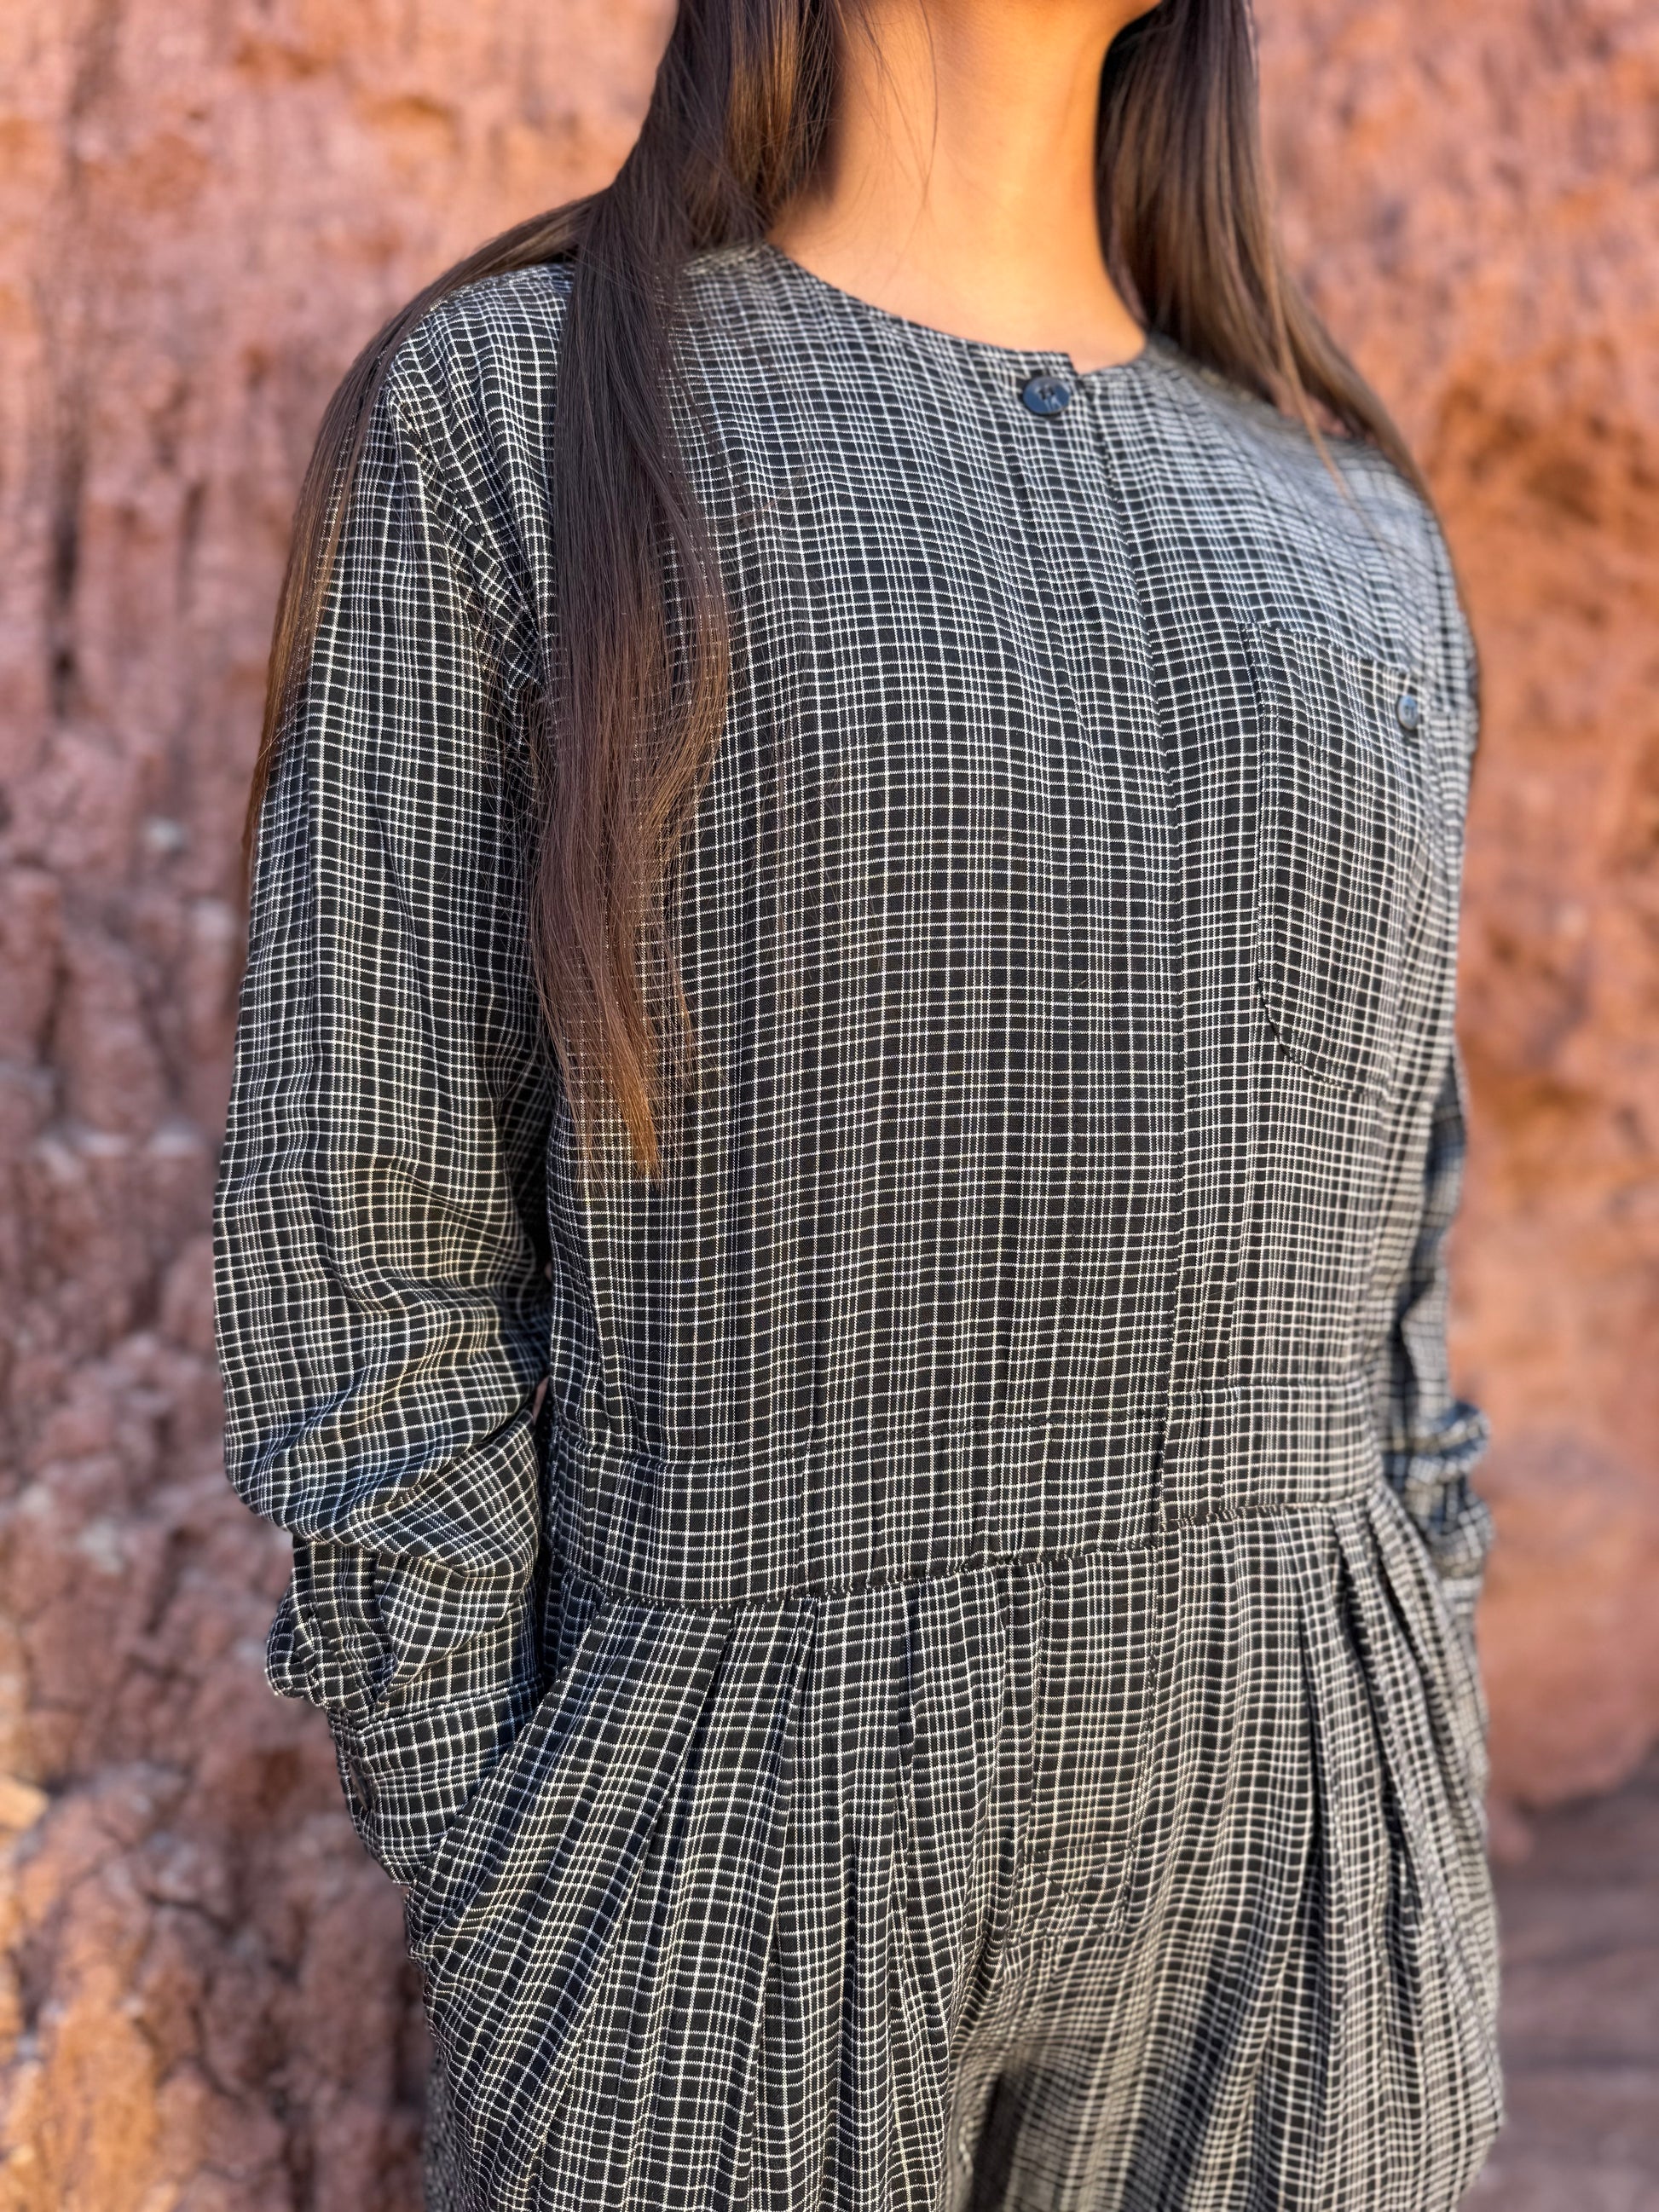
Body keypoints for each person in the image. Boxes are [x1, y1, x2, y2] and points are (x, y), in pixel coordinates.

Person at [212, 0, 1502, 2204]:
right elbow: (368, 1200)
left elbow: (1400, 1246)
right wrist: (506, 1856)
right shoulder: (523, 413)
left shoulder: (1350, 513)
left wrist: (1411, 1700)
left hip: (1304, 1842)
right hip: (726, 1834)